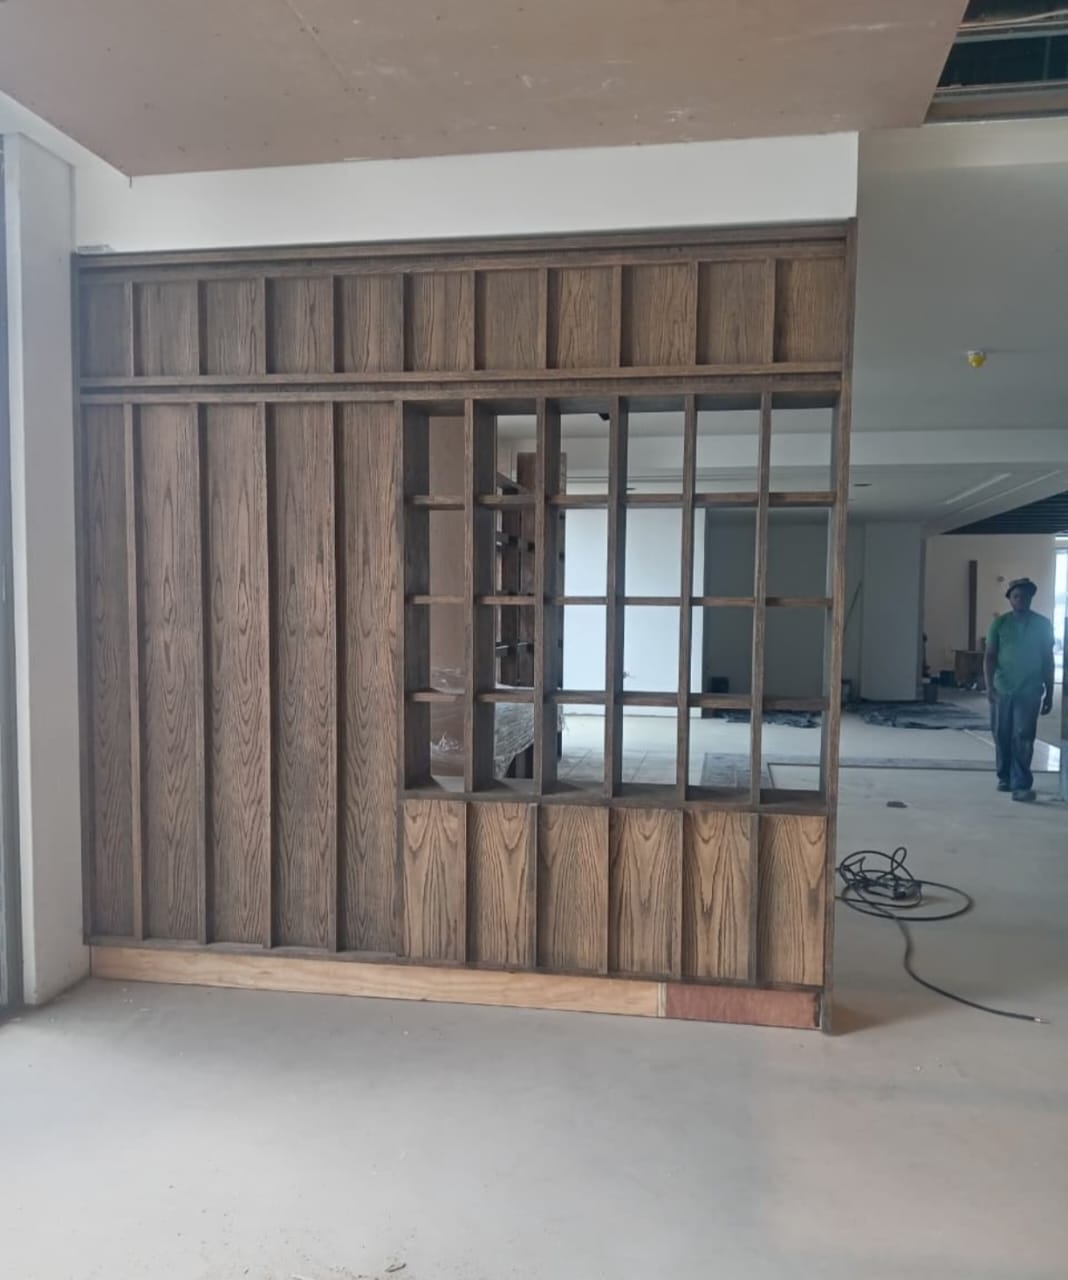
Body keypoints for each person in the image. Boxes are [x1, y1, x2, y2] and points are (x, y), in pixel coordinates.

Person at [984, 578, 1055, 802]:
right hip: (1002, 688)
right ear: (1010, 599)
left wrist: (1050, 692)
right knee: (1001, 734)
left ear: (1031, 598)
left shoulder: (1043, 625)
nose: (1021, 600)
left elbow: (1048, 659)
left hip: (1030, 690)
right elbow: (990, 656)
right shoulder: (999, 624)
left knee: (1023, 736)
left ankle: (1021, 783)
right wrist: (989, 687)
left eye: (1025, 596)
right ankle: (1004, 776)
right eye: (1016, 596)